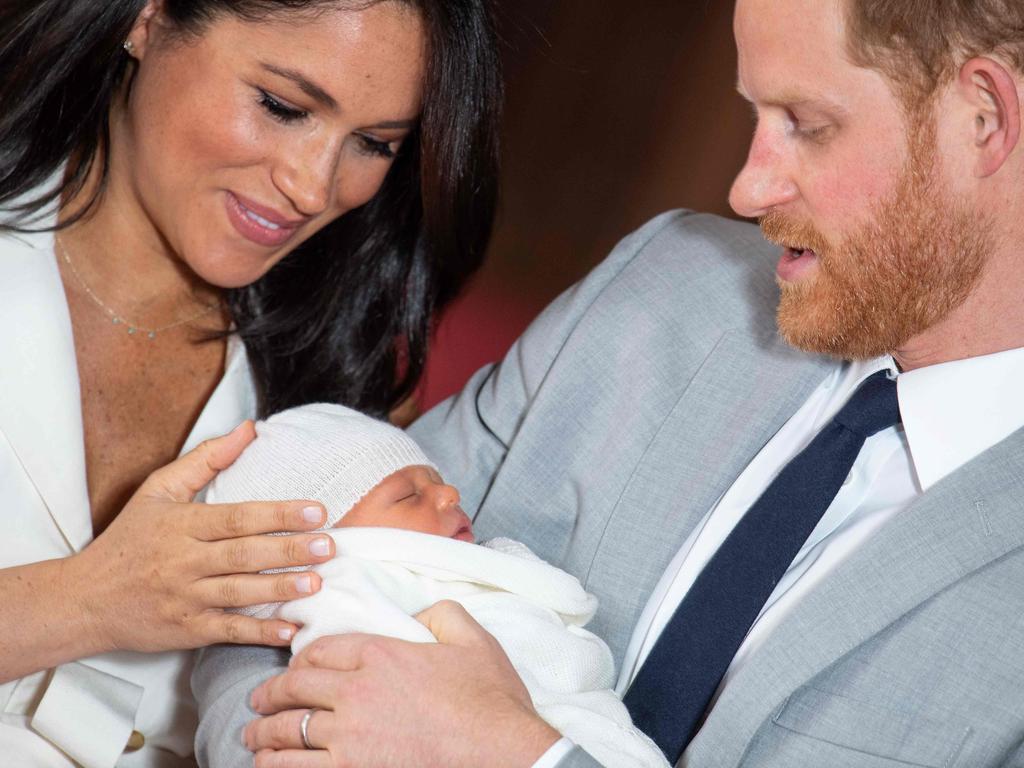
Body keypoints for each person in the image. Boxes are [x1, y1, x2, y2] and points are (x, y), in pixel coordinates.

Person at [194, 0, 1024, 766]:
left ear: (983, 119)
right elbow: (284, 594)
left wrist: (519, 758)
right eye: (755, 114)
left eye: (807, 124)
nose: (747, 189)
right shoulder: (666, 281)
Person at [0, 0, 500, 764]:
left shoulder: (346, 387)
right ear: (147, 19)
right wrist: (84, 603)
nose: (313, 185)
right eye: (283, 106)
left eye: (373, 143)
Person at [201, 402, 669, 768]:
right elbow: (382, 689)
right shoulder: (342, 584)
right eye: (409, 495)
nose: (450, 494)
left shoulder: (478, 565)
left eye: (439, 481)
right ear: (331, 544)